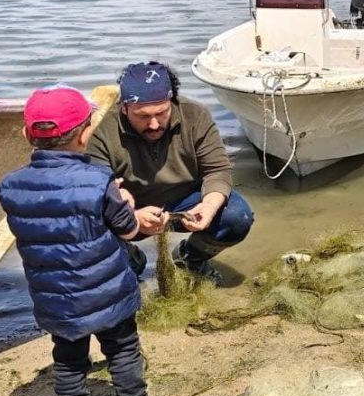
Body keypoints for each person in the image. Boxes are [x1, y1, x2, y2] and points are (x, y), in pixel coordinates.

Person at [0, 86, 164, 396]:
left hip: (55, 296)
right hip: (107, 292)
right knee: (123, 350)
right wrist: (125, 201)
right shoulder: (98, 180)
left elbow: (43, 225)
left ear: (28, 134)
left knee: (68, 360)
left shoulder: (10, 186)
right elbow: (128, 229)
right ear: (87, 134)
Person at [86, 61, 254, 284]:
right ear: (124, 107)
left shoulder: (196, 115)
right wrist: (131, 217)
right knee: (84, 225)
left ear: (172, 101)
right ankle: (130, 262)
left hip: (186, 205)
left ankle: (190, 258)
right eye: (143, 116)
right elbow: (96, 191)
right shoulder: (103, 130)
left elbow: (218, 170)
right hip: (132, 211)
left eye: (162, 113)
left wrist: (208, 207)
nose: (154, 124)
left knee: (237, 216)